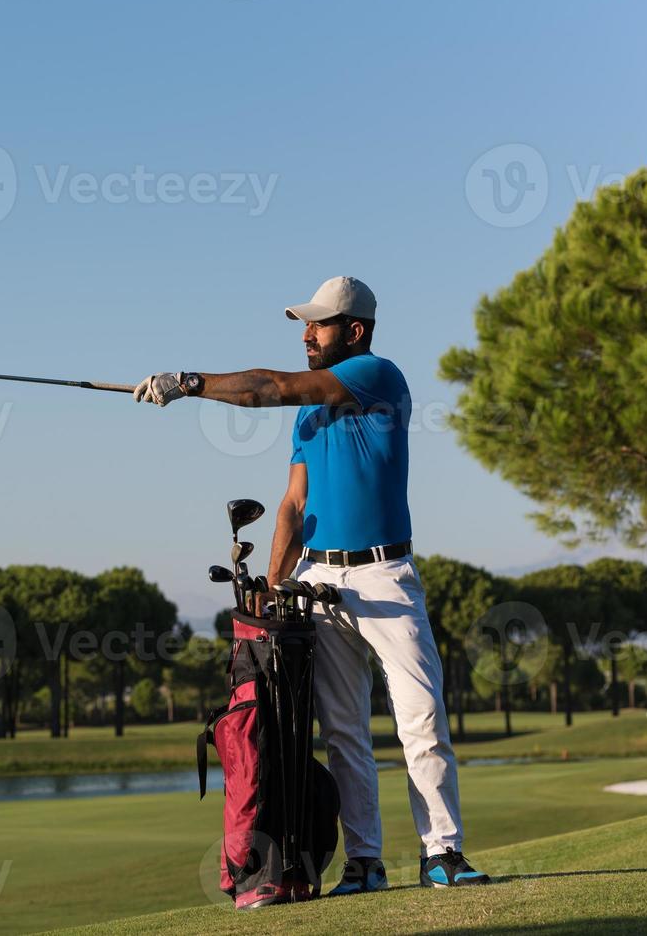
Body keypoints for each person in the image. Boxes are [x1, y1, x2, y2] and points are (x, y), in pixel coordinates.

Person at [133, 276, 490, 894]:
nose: (307, 333)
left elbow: (268, 386)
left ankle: (443, 853)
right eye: (305, 324)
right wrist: (274, 585)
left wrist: (189, 383)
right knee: (345, 731)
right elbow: (294, 506)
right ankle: (365, 862)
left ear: (353, 331)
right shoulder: (307, 414)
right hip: (316, 579)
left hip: (385, 574)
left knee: (420, 718)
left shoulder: (378, 375)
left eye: (319, 324)